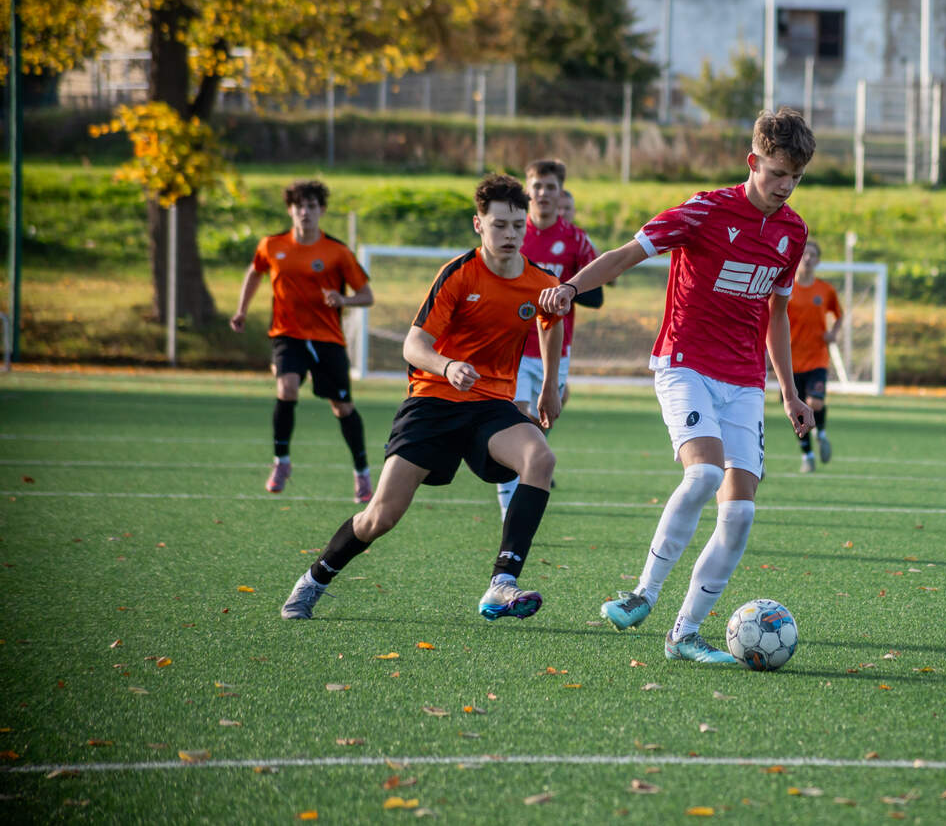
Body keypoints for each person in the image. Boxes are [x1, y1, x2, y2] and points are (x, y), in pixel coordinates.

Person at [540, 107, 817, 664]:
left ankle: (684, 634)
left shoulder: (793, 233)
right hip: (684, 362)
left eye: (795, 176)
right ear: (753, 161)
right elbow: (624, 255)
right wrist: (570, 287)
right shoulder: (705, 210)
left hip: (744, 380)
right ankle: (642, 593)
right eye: (776, 173)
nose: (785, 186)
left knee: (740, 515)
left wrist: (788, 392)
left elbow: (777, 314)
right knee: (705, 473)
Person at [280, 173, 565, 621]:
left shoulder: (539, 281)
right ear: (479, 224)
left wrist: (548, 387)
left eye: (517, 225)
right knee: (381, 516)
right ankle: (314, 579)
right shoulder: (459, 274)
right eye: (499, 225)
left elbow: (550, 321)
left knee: (540, 458)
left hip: (490, 404)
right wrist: (448, 366)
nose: (510, 234)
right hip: (432, 401)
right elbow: (413, 345)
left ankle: (502, 583)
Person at [230, 180, 375, 503]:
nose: (305, 212)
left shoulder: (337, 252)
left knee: (342, 407)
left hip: (327, 339)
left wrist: (343, 300)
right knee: (287, 388)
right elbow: (254, 272)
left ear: (321, 210)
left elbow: (367, 295)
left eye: (311, 206)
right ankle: (281, 461)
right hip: (287, 334)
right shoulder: (271, 245)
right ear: (290, 210)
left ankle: (362, 473)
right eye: (299, 206)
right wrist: (242, 310)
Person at [494, 160, 601, 519]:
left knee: (541, 423)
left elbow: (597, 293)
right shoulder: (513, 233)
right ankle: (510, 513)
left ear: (560, 192)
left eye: (550, 187)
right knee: (517, 421)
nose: (542, 193)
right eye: (537, 186)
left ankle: (525, 475)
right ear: (527, 190)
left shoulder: (575, 239)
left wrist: (566, 289)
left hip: (555, 349)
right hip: (513, 346)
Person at [787, 240, 842, 473]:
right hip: (790, 361)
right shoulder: (785, 288)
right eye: (804, 254)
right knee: (797, 410)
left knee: (814, 403)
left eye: (812, 255)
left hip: (817, 358)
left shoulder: (825, 290)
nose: (808, 258)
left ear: (818, 260)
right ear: (797, 258)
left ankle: (821, 433)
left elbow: (839, 315)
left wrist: (833, 333)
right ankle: (807, 455)